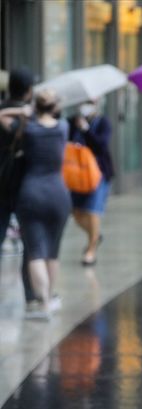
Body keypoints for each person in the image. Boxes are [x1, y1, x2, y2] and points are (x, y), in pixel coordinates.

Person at [0, 89, 70, 320]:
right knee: (53, 252)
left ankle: (44, 304)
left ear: (35, 106)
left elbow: (2, 117)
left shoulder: (28, 130)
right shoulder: (63, 129)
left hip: (31, 193)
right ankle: (51, 296)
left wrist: (21, 112)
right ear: (54, 106)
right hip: (58, 194)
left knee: (35, 253)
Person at [0, 67, 38, 309]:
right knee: (30, 243)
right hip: (24, 185)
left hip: (1, 185)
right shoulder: (32, 116)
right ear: (28, 91)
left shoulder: (5, 109)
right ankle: (31, 295)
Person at [68, 99, 114, 266]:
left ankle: (91, 249)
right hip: (76, 173)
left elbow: (101, 146)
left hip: (98, 173)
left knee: (93, 210)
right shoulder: (71, 121)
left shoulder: (103, 122)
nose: (85, 105)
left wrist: (86, 130)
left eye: (90, 102)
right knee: (76, 212)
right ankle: (95, 235)